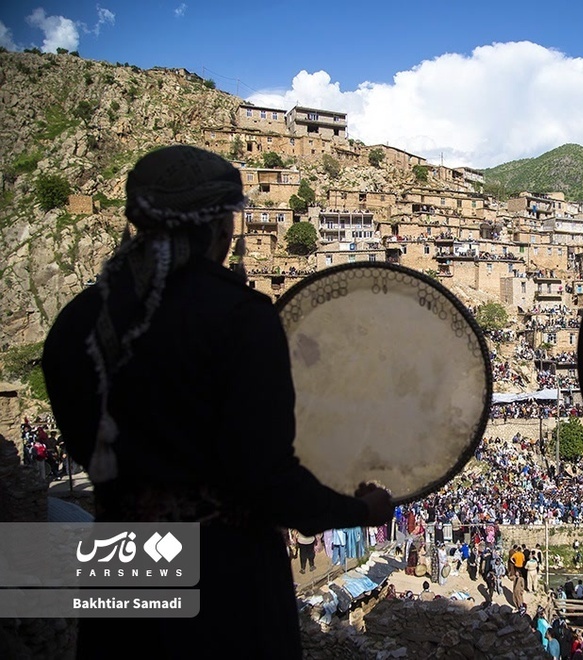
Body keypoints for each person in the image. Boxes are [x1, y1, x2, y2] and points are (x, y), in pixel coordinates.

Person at [41, 145, 394, 659]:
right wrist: (360, 510)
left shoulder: (78, 322)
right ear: (222, 227)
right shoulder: (240, 318)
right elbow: (267, 479)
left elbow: (86, 445)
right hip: (225, 581)